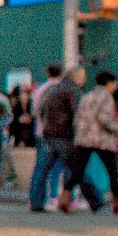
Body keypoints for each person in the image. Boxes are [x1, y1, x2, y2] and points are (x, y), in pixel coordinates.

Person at [64, 70, 118, 214]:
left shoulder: (87, 95)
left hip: (83, 137)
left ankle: (64, 198)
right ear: (110, 83)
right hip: (101, 139)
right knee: (112, 171)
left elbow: (78, 116)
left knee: (78, 170)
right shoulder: (106, 97)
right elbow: (105, 119)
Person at [28, 64, 77, 212]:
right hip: (62, 134)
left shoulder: (40, 89)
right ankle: (69, 198)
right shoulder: (66, 89)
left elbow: (35, 111)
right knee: (68, 167)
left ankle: (36, 200)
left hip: (42, 132)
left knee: (41, 169)